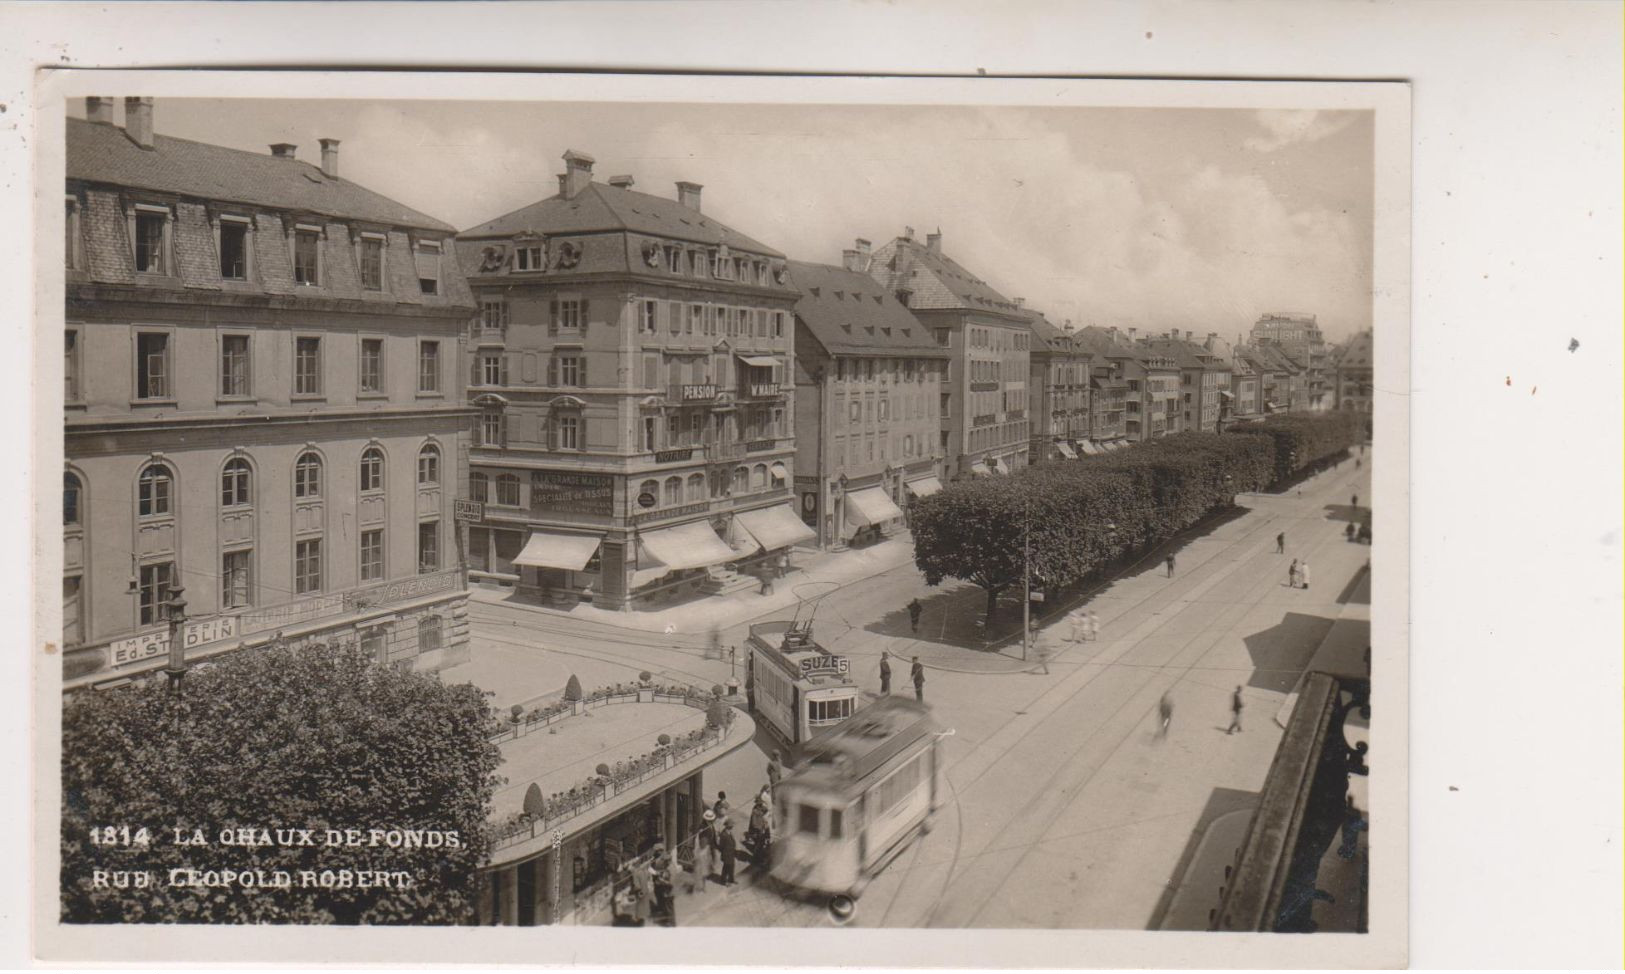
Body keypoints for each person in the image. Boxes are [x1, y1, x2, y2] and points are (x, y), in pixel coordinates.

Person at [691, 810, 716, 891]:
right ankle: (699, 886)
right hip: (702, 850)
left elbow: (713, 836)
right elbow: (699, 840)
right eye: (710, 820)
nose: (711, 821)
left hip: (707, 848)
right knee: (700, 869)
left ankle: (703, 885)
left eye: (712, 820)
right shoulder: (702, 827)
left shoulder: (711, 826)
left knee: (706, 869)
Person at [718, 821, 738, 886]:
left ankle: (731, 879)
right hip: (726, 854)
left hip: (731, 853)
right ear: (727, 827)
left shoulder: (730, 833)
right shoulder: (723, 835)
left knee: (731, 866)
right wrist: (724, 853)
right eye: (730, 827)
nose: (732, 828)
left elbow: (733, 841)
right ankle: (724, 881)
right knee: (726, 868)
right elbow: (721, 846)